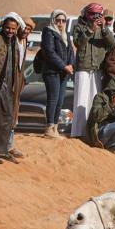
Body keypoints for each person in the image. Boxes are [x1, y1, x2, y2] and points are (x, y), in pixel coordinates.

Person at [71, 3, 115, 139]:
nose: (96, 18)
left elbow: (112, 43)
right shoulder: (79, 27)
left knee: (94, 101)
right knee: (81, 101)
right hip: (83, 68)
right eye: (94, 15)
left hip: (97, 69)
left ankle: (91, 132)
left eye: (99, 15)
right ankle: (78, 132)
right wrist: (90, 30)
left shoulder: (103, 29)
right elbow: (79, 43)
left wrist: (104, 29)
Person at [0, 14, 25, 162]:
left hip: (8, 85)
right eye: (7, 28)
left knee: (6, 117)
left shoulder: (14, 42)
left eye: (13, 28)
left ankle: (2, 150)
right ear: (2, 27)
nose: (10, 31)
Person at [40, 9, 76, 139]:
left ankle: (55, 128)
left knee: (60, 101)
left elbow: (71, 51)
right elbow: (49, 52)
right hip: (52, 72)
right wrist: (64, 66)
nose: (60, 23)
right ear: (53, 20)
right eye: (58, 20)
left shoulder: (65, 33)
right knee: (53, 99)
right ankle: (49, 127)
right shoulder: (48, 32)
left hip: (64, 72)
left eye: (63, 21)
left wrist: (71, 64)